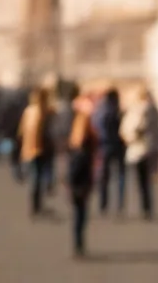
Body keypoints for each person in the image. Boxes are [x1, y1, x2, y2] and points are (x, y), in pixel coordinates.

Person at [121, 88, 158, 219]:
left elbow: (132, 128)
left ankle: (144, 207)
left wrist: (129, 136)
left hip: (139, 149)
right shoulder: (155, 110)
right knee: (147, 180)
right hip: (152, 148)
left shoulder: (139, 110)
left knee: (141, 181)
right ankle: (148, 206)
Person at [67, 95, 98, 258]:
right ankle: (79, 243)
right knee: (81, 215)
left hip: (79, 183)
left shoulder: (76, 144)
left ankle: (79, 243)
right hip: (81, 183)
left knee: (79, 215)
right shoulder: (84, 148)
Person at [17, 88, 55, 216]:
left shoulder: (28, 111)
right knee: (36, 179)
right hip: (38, 149)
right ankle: (35, 206)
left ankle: (35, 205)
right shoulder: (41, 112)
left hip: (28, 149)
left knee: (35, 178)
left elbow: (21, 131)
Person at [93, 88, 126, 215]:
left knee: (104, 177)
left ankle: (103, 203)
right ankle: (120, 203)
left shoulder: (99, 111)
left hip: (104, 146)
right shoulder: (116, 111)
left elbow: (96, 128)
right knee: (120, 176)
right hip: (115, 145)